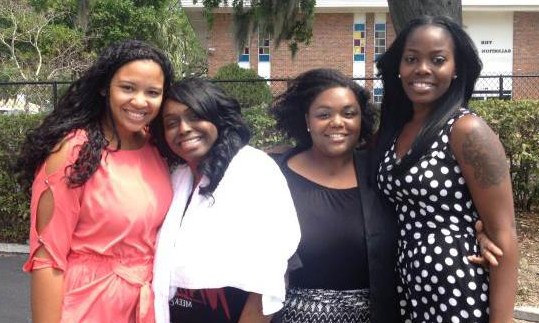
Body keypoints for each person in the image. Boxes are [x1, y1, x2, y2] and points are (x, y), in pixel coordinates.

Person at [14, 39, 175, 323]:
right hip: (87, 305)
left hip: (145, 304)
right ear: (104, 88)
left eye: (152, 92)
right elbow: (47, 258)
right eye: (127, 88)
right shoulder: (73, 151)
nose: (140, 101)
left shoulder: (156, 147)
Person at [375, 15, 518, 322]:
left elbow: (504, 233)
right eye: (411, 58)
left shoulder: (466, 130)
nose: (422, 69)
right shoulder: (396, 129)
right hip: (408, 287)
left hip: (457, 287)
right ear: (398, 68)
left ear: (456, 69)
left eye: (437, 59)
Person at [150, 77, 301, 323]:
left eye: (195, 116)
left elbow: (272, 273)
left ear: (218, 118)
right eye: (171, 123)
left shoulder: (254, 170)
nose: (184, 128)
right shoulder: (178, 179)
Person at [270, 68, 400, 323]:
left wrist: (479, 230)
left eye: (349, 113)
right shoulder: (274, 174)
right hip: (290, 316)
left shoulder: (381, 174)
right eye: (324, 114)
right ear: (306, 120)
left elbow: (425, 213)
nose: (337, 122)